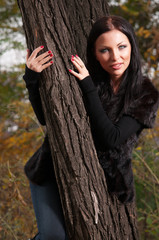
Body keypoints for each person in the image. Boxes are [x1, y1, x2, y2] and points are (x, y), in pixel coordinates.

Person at [23, 16, 159, 240]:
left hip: (103, 182)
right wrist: (32, 78)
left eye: (122, 47)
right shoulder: (87, 77)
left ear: (132, 47)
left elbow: (111, 139)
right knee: (53, 237)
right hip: (51, 167)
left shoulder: (145, 93)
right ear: (94, 54)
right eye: (105, 50)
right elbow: (47, 119)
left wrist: (88, 88)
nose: (116, 57)